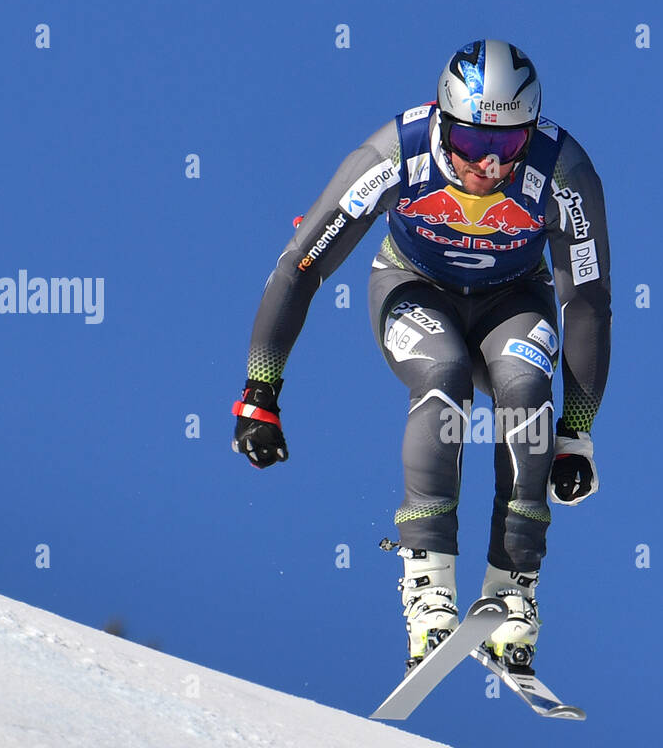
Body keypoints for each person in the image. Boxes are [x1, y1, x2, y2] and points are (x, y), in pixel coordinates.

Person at [232, 38, 611, 674]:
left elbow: (590, 300)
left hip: (514, 299)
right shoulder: (396, 153)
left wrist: (577, 434)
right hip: (413, 289)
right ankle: (428, 587)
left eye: (506, 148)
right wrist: (261, 389)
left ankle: (514, 590)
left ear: (531, 134)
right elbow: (301, 264)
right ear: (442, 122)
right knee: (444, 378)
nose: (487, 167)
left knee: (523, 388)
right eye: (471, 146)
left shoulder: (563, 170)